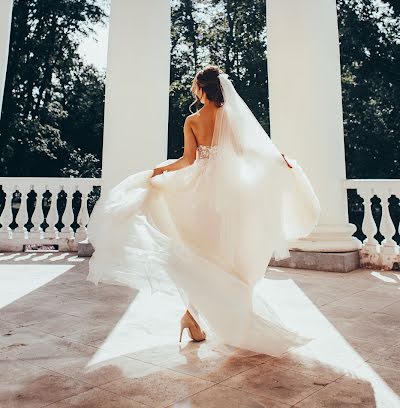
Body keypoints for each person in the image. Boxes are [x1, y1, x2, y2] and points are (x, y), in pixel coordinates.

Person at [87, 65, 320, 355]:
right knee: (227, 259)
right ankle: (203, 318)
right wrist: (278, 160)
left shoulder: (193, 120)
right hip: (232, 195)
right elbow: (249, 153)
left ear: (201, 88)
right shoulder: (232, 117)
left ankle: (192, 317)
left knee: (203, 257)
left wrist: (161, 169)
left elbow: (187, 161)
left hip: (200, 194)